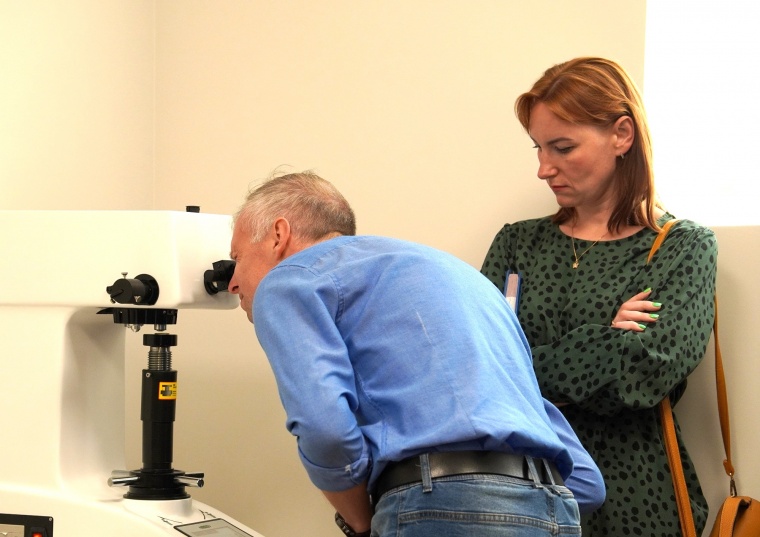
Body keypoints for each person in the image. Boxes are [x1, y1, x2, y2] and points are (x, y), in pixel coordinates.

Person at [228, 171, 605, 536]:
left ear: (279, 235)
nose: (232, 283)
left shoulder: (288, 279)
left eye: (237, 257)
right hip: (554, 512)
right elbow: (587, 483)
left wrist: (360, 524)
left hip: (441, 505)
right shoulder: (464, 279)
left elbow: (325, 430)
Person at [480, 57, 718, 536]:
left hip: (636, 501)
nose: (544, 169)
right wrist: (607, 337)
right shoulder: (518, 244)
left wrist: (526, 364)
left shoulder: (682, 247)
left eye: (563, 147)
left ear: (622, 135)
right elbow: (479, 368)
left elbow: (643, 374)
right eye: (539, 148)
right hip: (518, 498)